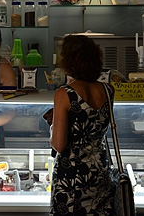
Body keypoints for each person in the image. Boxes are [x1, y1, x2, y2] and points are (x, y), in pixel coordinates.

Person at [49, 34, 116, 215]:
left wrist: (52, 128)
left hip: (72, 178)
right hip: (100, 172)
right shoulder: (108, 90)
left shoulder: (65, 94)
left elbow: (59, 144)